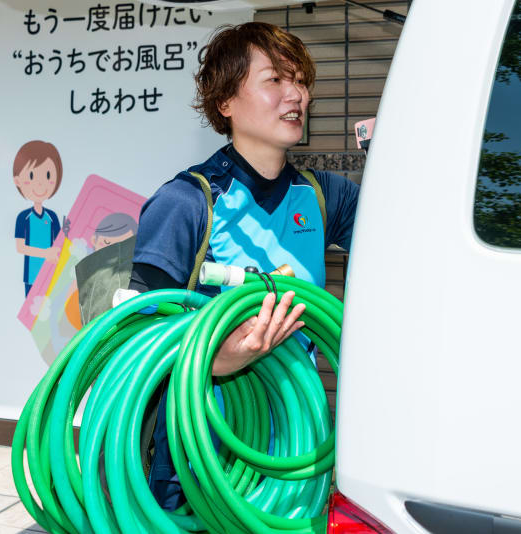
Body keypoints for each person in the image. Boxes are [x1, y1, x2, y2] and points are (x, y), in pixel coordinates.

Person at [129, 22, 359, 510]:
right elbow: (136, 340)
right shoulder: (187, 202)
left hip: (297, 456)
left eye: (300, 80)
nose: (294, 93)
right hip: (202, 463)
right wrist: (216, 360)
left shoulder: (322, 197)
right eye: (274, 79)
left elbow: (409, 237)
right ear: (225, 102)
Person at [13, 140, 63, 296]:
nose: (41, 184)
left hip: (51, 275)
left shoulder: (52, 216)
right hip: (32, 276)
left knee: (50, 315)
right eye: (32, 175)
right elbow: (20, 247)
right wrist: (45, 253)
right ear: (17, 180)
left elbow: (59, 243)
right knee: (32, 316)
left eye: (48, 175)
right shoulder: (23, 217)